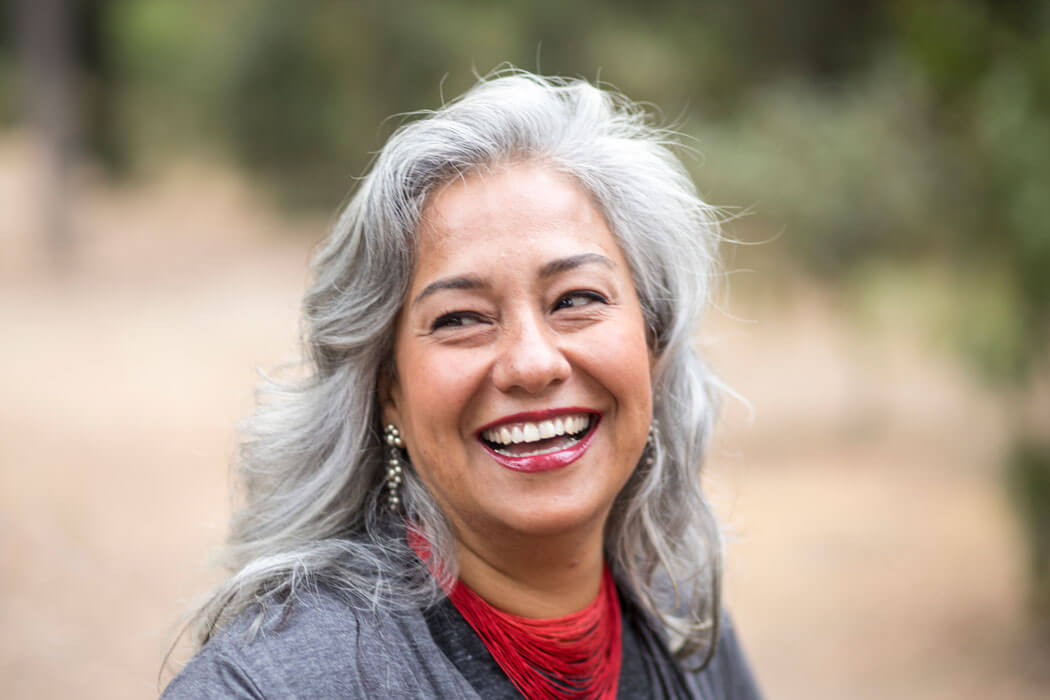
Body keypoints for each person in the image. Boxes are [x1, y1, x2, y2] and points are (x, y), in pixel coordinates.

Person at [163, 70, 762, 699]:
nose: (532, 364)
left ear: (653, 345)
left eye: (576, 299)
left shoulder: (685, 627)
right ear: (386, 389)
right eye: (460, 319)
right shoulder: (277, 684)